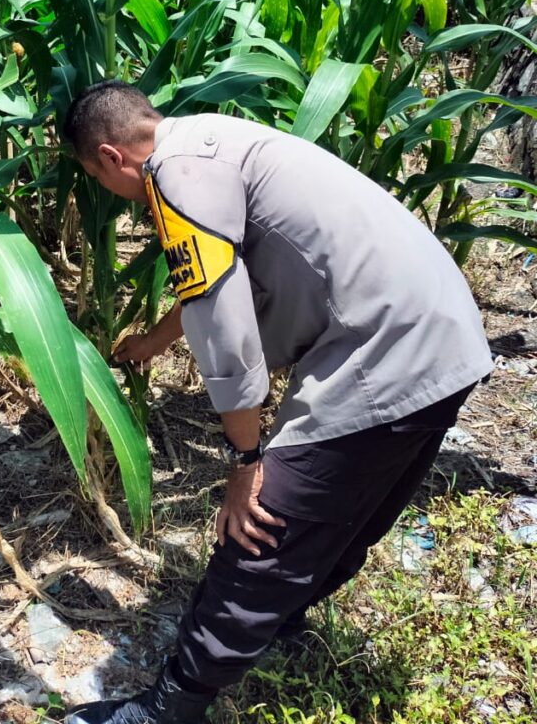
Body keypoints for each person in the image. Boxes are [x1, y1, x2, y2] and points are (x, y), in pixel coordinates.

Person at [61, 82, 493, 724]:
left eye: (96, 177)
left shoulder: (172, 177)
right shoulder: (211, 139)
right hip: (443, 333)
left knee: (265, 523)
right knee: (348, 509)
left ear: (111, 156)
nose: (107, 192)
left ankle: (169, 707)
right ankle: (277, 624)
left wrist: (246, 458)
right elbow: (214, 269)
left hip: (386, 346)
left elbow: (222, 320)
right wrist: (152, 342)